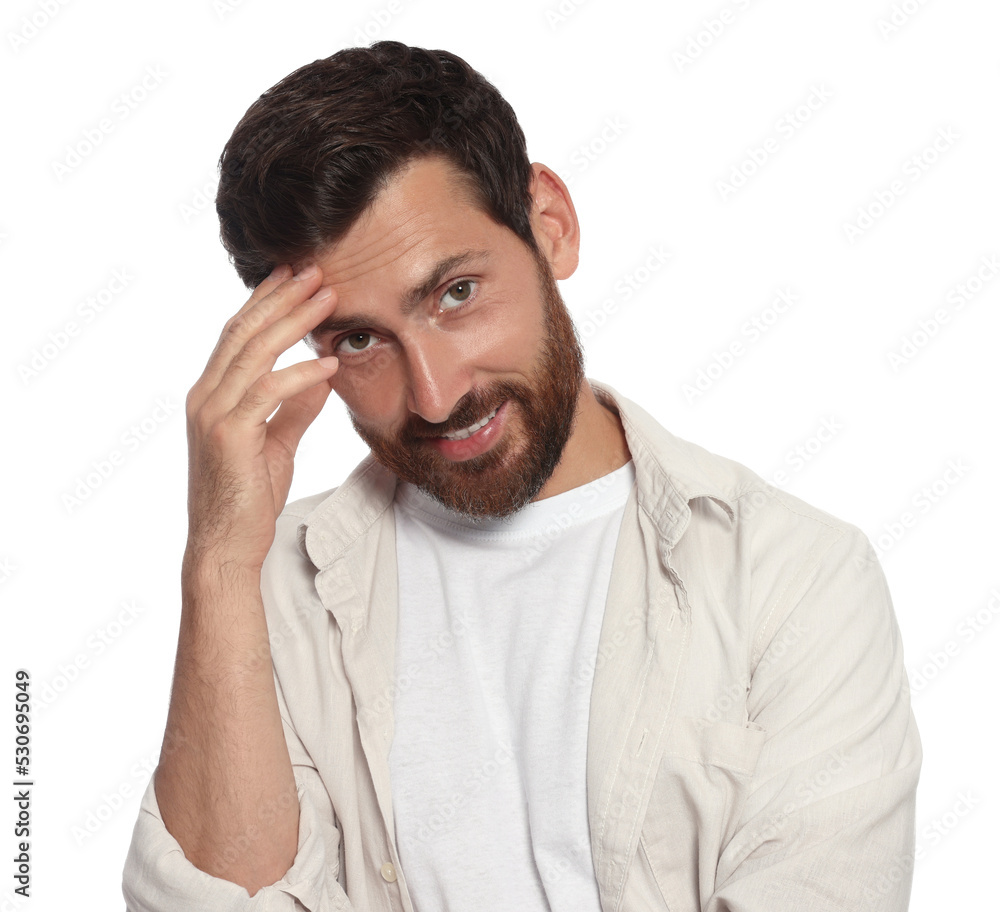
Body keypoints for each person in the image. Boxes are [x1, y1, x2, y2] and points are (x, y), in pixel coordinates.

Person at [122, 41, 921, 911]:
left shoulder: (794, 578)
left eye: (455, 293)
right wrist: (218, 563)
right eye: (357, 339)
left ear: (550, 224)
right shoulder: (271, 590)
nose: (434, 394)